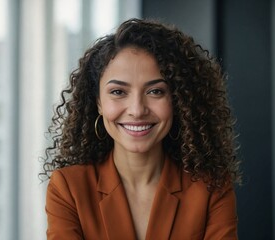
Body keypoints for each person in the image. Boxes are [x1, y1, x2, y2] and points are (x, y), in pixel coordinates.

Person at [42, 18, 241, 240]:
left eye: (155, 91)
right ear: (98, 102)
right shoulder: (69, 188)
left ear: (177, 101)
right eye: (118, 92)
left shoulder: (211, 188)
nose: (137, 110)